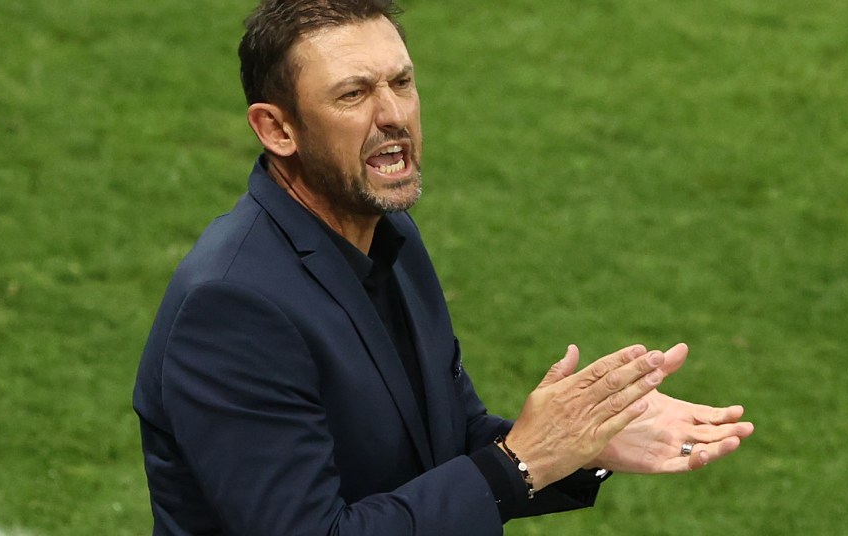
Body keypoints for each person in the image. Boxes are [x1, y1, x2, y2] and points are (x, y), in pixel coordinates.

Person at [132, 1, 755, 534]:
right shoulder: (232, 307)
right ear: (277, 129)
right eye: (353, 94)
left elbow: (447, 437)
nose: (393, 115)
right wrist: (522, 463)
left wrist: (586, 442)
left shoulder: (388, 234)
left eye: (401, 83)